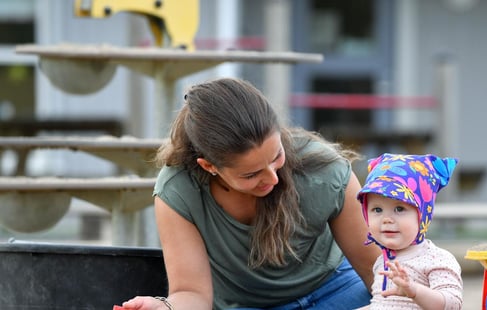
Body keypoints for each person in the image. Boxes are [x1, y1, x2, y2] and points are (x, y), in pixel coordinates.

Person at [119, 77, 380, 310]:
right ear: (209, 166)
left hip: (338, 292)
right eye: (251, 174)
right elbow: (192, 294)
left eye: (277, 156)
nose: (272, 177)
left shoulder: (325, 170)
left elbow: (377, 273)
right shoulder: (178, 190)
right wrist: (164, 308)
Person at [356, 153, 463, 310]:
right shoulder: (383, 260)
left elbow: (453, 304)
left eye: (399, 209)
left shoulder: (436, 258)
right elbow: (381, 304)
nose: (386, 219)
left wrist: (414, 291)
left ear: (422, 215)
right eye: (377, 209)